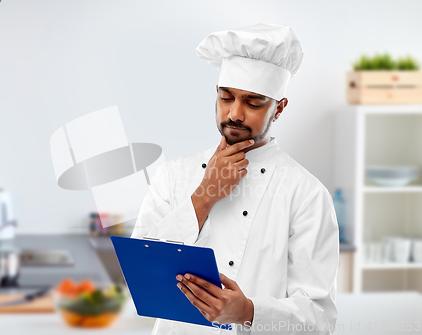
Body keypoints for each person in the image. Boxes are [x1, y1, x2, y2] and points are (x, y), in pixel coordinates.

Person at [131, 23, 339, 334]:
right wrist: (204, 195)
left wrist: (249, 311)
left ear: (279, 108)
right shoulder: (173, 175)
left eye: (253, 103)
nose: (235, 114)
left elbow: (320, 319)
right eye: (226, 98)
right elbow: (140, 272)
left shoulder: (305, 193)